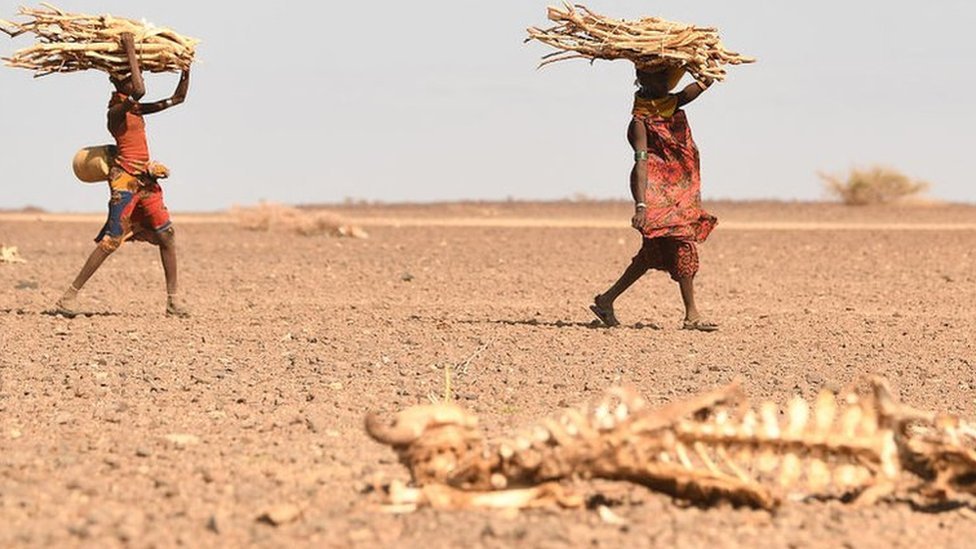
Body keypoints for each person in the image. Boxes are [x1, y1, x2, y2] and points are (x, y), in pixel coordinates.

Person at [54, 32, 191, 318]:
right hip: (125, 181)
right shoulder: (116, 111)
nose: (135, 80)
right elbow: (139, 90)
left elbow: (178, 99)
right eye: (129, 76)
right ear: (119, 81)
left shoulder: (137, 109)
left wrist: (185, 68)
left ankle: (173, 302)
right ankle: (69, 297)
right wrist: (130, 49)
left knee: (167, 235)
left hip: (146, 181)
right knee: (111, 242)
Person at [589, 65, 718, 331]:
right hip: (660, 196)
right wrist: (641, 206)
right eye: (655, 78)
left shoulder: (670, 103)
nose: (662, 84)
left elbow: (702, 84)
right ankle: (692, 315)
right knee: (683, 244)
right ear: (641, 79)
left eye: (665, 78)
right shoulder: (640, 122)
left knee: (651, 254)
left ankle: (606, 299)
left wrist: (700, 64)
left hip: (682, 190)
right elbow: (641, 164)